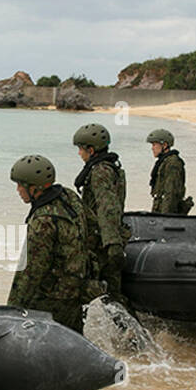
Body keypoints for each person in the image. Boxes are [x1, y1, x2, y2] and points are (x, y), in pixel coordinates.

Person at [6, 155, 90, 333]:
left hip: (54, 298)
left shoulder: (43, 221)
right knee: (73, 337)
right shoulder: (69, 196)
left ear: (35, 188)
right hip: (77, 288)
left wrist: (11, 311)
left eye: (21, 185)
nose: (18, 190)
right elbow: (92, 228)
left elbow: (30, 272)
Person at [73, 123, 131, 305]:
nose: (79, 154)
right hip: (105, 238)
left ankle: (129, 330)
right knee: (111, 294)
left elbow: (108, 207)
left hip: (100, 243)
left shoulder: (99, 172)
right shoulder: (110, 167)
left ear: (91, 150)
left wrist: (112, 243)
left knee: (107, 294)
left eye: (81, 149)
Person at [146, 129, 193, 215]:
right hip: (159, 211)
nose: (152, 148)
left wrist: (165, 218)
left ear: (164, 145)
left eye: (154, 145)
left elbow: (171, 193)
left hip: (167, 213)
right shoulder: (163, 162)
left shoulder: (173, 163)